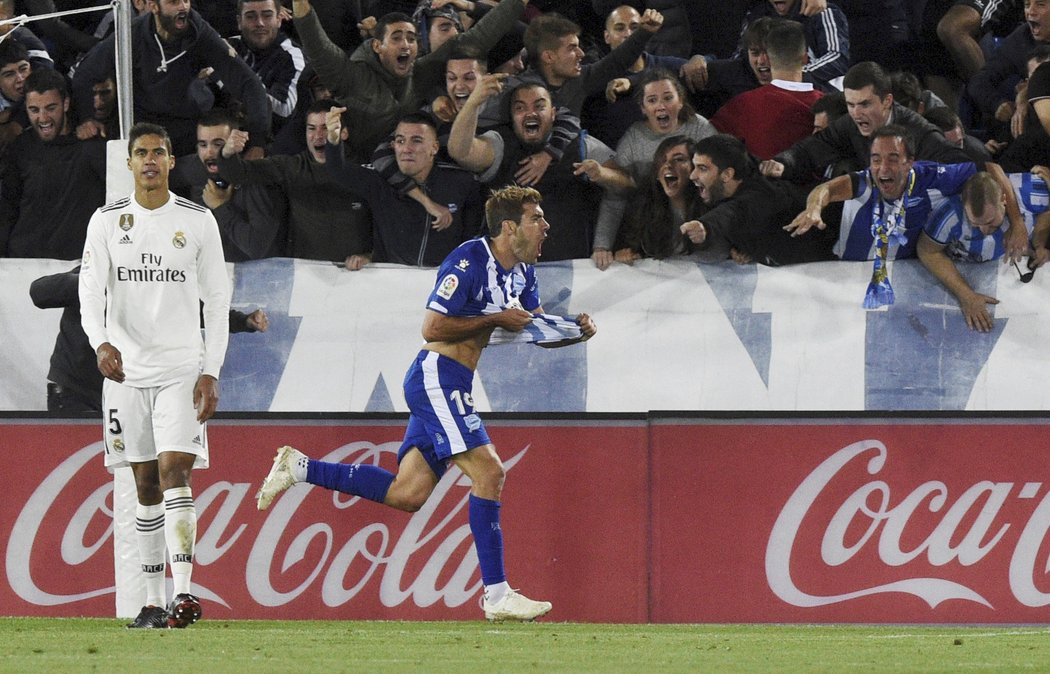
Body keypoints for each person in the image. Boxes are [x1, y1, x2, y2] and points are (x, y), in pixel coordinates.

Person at [255, 184, 597, 622]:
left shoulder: (523, 275)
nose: (546, 226)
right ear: (510, 228)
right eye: (536, 218)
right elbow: (432, 327)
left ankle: (299, 466)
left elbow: (530, 327)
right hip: (437, 376)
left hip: (454, 382)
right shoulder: (468, 260)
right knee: (489, 472)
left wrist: (574, 331)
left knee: (408, 493)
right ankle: (496, 595)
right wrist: (494, 318)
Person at [78, 122, 231, 629]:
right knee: (144, 482)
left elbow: (218, 299)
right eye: (140, 152)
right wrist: (100, 341)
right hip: (126, 375)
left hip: (181, 370)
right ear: (128, 164)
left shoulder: (197, 220)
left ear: (170, 161)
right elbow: (90, 291)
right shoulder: (105, 222)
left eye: (158, 153)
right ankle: (150, 599)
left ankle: (185, 594)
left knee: (174, 473)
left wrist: (210, 370)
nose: (149, 161)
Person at [785, 125, 1028, 305]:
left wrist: (1017, 223)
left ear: (909, 162)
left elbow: (992, 169)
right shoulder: (866, 181)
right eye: (876, 159)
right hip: (836, 259)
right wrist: (814, 208)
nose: (883, 168)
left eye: (893, 159)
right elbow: (826, 189)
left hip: (887, 274)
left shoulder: (932, 177)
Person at [291, 0, 528, 162]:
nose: (406, 44)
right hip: (353, 172)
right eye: (397, 38)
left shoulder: (422, 72)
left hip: (405, 170)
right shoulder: (351, 76)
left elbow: (478, 38)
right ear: (377, 46)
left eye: (411, 38)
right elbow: (316, 43)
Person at [33, 264, 268, 414]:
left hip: (125, 394)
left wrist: (244, 321)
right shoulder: (92, 274)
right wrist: (92, 284)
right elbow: (39, 292)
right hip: (75, 394)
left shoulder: (153, 282)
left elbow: (194, 310)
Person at [72, 0, 271, 157]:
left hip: (187, 124)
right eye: (174, 1)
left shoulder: (199, 32)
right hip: (143, 125)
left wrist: (258, 142)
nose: (183, 6)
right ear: (153, 6)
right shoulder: (133, 33)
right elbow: (86, 73)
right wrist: (87, 117)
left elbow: (248, 82)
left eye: (185, 0)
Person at [449, 78, 611, 261]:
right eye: (520, 108)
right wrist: (472, 104)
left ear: (553, 114)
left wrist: (603, 174)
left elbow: (627, 183)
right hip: (506, 276)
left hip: (569, 274)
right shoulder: (501, 144)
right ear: (511, 117)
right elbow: (460, 152)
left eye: (539, 106)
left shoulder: (582, 146)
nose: (530, 113)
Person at [580, 69, 716, 269]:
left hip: (700, 229)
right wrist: (602, 246)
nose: (661, 106)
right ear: (643, 108)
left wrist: (735, 241)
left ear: (680, 101)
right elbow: (616, 195)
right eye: (652, 100)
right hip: (652, 233)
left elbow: (723, 184)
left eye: (668, 98)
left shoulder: (700, 129)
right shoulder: (633, 140)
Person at [215, 98, 372, 266]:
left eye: (325, 128)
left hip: (358, 275)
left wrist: (370, 256)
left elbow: (384, 223)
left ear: (344, 132)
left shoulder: (364, 172)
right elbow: (240, 173)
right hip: (305, 276)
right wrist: (227, 153)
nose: (318, 136)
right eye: (311, 128)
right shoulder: (292, 167)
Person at [760, 61, 975, 183]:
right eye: (850, 105)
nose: (856, 113)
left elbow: (963, 166)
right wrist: (783, 163)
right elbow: (811, 149)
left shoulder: (918, 131)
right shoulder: (850, 124)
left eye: (864, 104)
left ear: (886, 101)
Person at [323, 109, 484, 268]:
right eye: (400, 141)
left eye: (416, 140)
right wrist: (333, 138)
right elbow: (337, 170)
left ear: (434, 148)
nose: (406, 149)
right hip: (393, 282)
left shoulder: (462, 182)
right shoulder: (380, 181)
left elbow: (473, 237)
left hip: (444, 282)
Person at [918, 170, 1049, 331]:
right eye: (975, 224)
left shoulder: (1028, 192)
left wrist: (1040, 241)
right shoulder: (948, 213)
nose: (984, 230)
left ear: (1004, 200)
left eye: (991, 222)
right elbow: (927, 251)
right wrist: (966, 295)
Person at [679, 133, 833, 266]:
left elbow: (733, 212)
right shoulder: (743, 172)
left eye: (702, 168)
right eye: (695, 166)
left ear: (727, 174)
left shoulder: (762, 195)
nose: (693, 176)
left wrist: (706, 227)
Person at [0, 67, 106, 259]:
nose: (43, 118)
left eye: (50, 108)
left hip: (77, 268)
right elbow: (7, 210)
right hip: (23, 265)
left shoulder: (92, 147)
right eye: (34, 110)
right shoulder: (19, 149)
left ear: (65, 104)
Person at [172, 109, 289, 261]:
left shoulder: (257, 181)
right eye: (203, 144)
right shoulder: (191, 168)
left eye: (218, 144)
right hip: (210, 271)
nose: (209, 152)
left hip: (259, 276)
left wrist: (221, 207)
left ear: (235, 145)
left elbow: (256, 247)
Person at [711, 19, 823, 161]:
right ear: (805, 58)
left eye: (765, 53)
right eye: (755, 52)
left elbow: (707, 144)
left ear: (773, 56)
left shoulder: (742, 104)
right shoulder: (827, 103)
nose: (762, 60)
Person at [614, 135, 710, 263]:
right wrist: (626, 253)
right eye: (662, 160)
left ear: (694, 168)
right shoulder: (644, 203)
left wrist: (737, 251)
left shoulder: (711, 201)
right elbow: (631, 245)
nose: (668, 165)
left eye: (679, 159)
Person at [735, 0, 849, 91]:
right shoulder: (756, 14)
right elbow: (740, 57)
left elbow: (838, 59)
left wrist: (791, 73)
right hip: (766, 94)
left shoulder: (822, 11)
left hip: (815, 93)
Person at [230, 0, 306, 136]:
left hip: (276, 142)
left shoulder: (291, 56)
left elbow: (285, 110)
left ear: (279, 19)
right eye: (251, 16)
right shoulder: (229, 47)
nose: (260, 23)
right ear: (239, 22)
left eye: (267, 15)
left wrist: (234, 80)